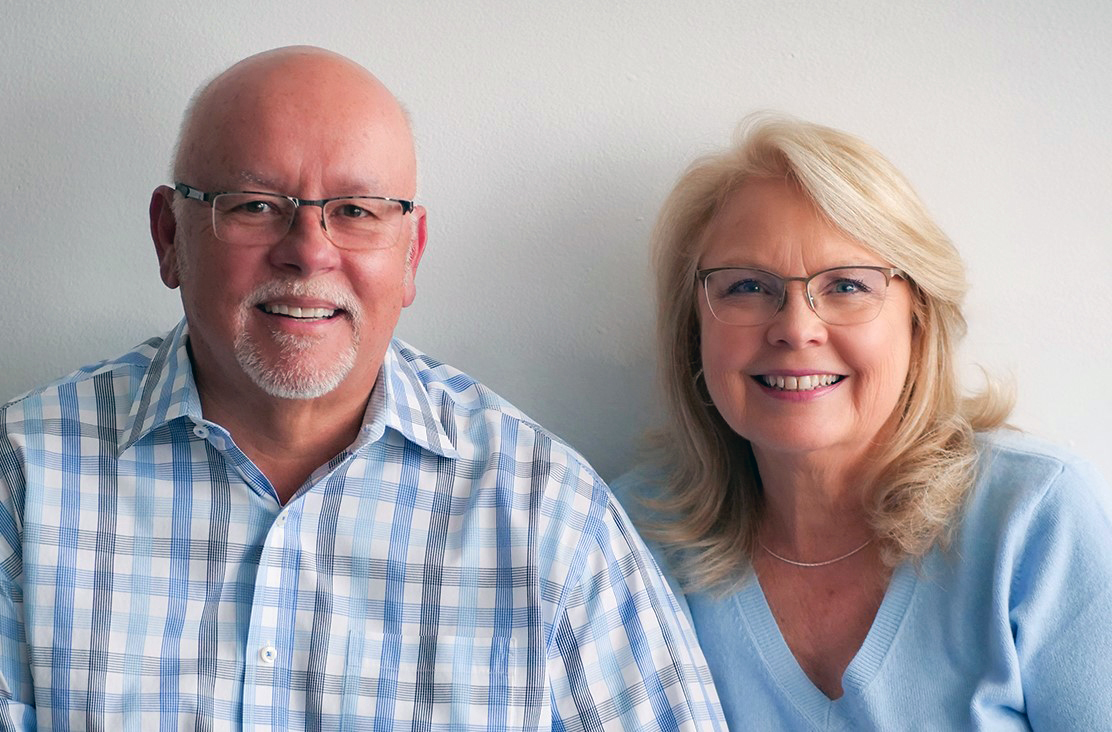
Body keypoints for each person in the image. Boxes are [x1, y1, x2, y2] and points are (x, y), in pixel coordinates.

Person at [0, 47, 725, 730]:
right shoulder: (24, 482)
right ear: (169, 236)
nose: (309, 250)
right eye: (254, 204)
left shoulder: (549, 516)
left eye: (356, 211)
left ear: (411, 253)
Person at [612, 115, 1112, 729]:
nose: (796, 328)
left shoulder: (1035, 520)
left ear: (917, 319)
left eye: (847, 284)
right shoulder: (629, 538)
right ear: (694, 329)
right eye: (747, 286)